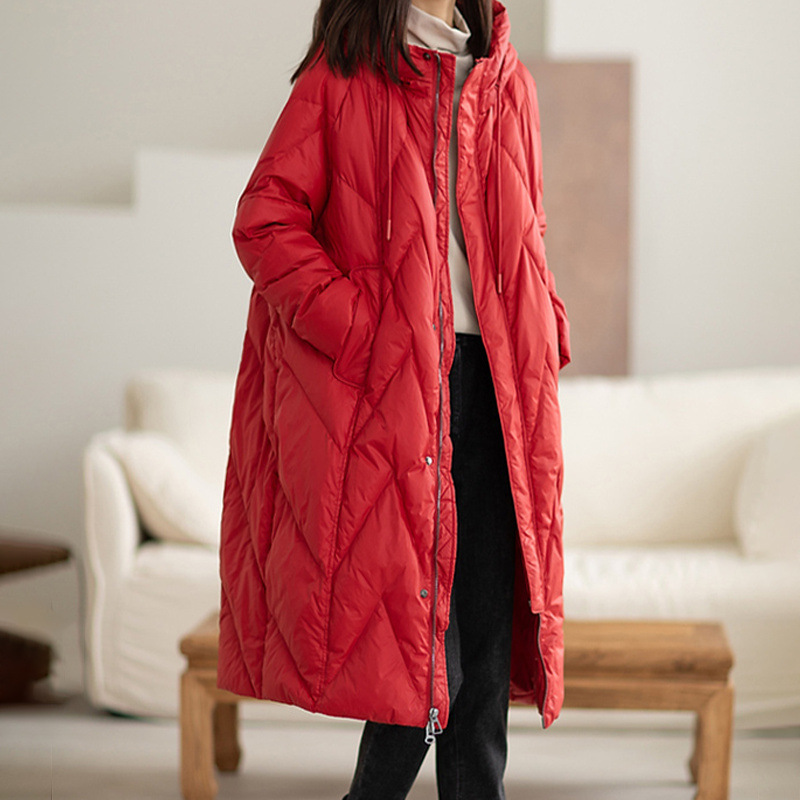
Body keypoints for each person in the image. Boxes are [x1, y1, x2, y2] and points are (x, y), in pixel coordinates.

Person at [216, 1, 572, 798]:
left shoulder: (506, 81)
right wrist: (359, 329)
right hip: (402, 390)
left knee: (482, 659)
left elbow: (528, 227)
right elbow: (265, 220)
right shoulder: (345, 72)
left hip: (498, 391)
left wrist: (545, 320)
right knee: (422, 660)